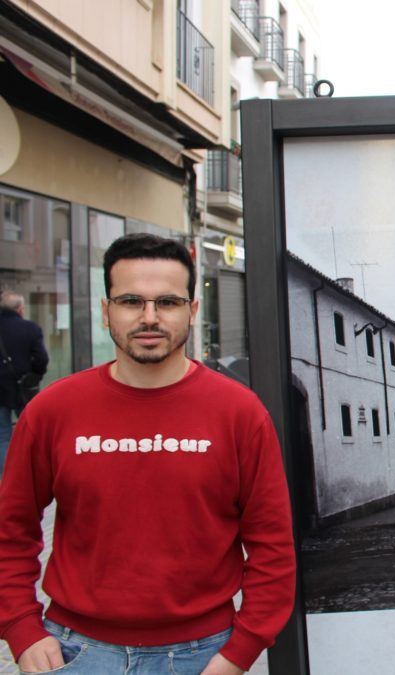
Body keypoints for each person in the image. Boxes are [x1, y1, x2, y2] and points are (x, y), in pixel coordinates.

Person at [0, 234, 295, 674]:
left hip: (203, 656)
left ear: (193, 311)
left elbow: (272, 546)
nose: (150, 318)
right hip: (75, 654)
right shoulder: (53, 411)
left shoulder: (239, 413)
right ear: (106, 311)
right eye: (131, 301)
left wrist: (240, 652)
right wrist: (22, 630)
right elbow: (12, 529)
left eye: (169, 302)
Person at [0, 291, 48, 471]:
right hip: (23, 387)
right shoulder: (30, 328)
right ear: (20, 309)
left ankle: (5, 478)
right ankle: (34, 470)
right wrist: (35, 376)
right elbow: (41, 358)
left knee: (2, 435)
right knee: (34, 430)